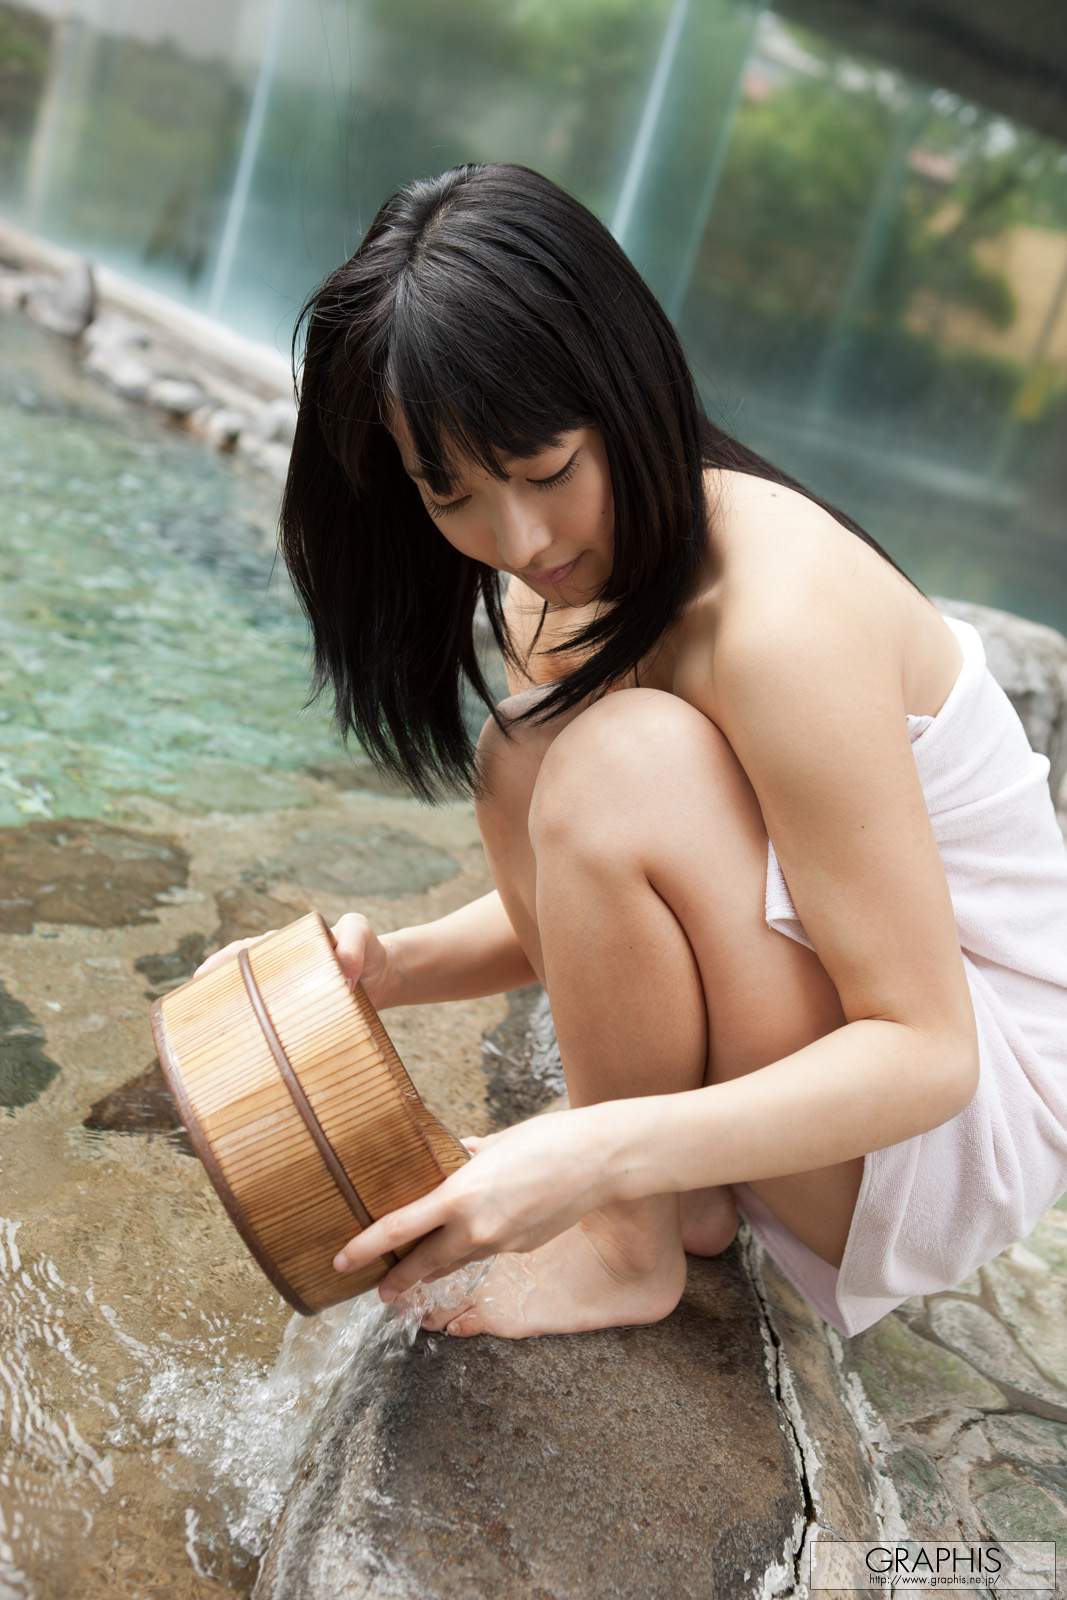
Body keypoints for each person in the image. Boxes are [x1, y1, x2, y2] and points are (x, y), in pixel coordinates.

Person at [194, 161, 1067, 1341]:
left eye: (545, 471)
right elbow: (612, 885)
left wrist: (589, 1150)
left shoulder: (780, 623)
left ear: (625, 391)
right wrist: (389, 970)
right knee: (526, 753)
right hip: (841, 1052)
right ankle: (678, 1202)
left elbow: (926, 1053)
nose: (517, 538)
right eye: (449, 495)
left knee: (610, 758)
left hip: (963, 1118)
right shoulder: (551, 594)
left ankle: (625, 1245)